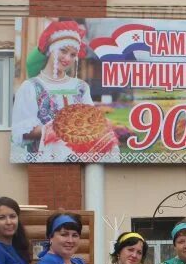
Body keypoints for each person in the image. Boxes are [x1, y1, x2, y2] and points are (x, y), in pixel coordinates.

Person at [11, 20, 117, 161]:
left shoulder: (81, 87)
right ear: (50, 50)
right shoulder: (30, 87)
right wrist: (55, 129)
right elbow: (21, 132)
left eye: (73, 55)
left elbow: (91, 123)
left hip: (79, 162)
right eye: (63, 50)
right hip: (43, 164)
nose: (67, 58)